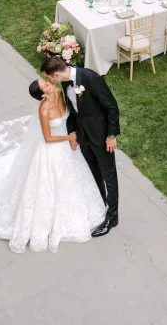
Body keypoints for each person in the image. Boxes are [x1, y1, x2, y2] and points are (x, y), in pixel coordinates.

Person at [0, 78, 106, 253]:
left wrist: (72, 136)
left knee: (72, 179)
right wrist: (68, 138)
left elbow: (69, 116)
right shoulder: (44, 109)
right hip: (51, 148)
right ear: (42, 95)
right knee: (47, 184)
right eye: (46, 85)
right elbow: (47, 138)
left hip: (67, 145)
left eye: (46, 81)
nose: (49, 83)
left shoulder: (59, 92)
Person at [41, 55, 120, 237]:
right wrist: (72, 135)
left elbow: (112, 107)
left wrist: (111, 135)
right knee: (93, 172)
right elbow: (73, 110)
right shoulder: (65, 83)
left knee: (109, 174)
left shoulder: (91, 78)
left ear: (57, 75)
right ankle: (100, 203)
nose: (48, 81)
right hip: (82, 135)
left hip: (100, 136)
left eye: (48, 78)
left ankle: (112, 217)